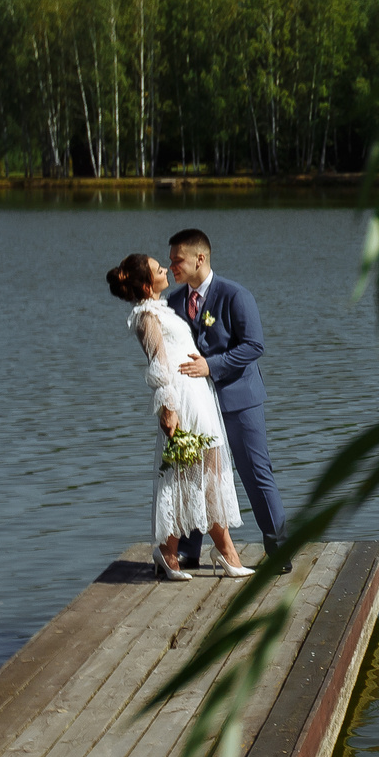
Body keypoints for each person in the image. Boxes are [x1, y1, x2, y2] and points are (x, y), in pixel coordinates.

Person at [105, 251, 253, 581]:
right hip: (181, 400)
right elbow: (158, 366)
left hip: (199, 396)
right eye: (159, 269)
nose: (165, 271)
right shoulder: (146, 316)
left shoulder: (159, 308)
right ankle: (210, 552)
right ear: (147, 285)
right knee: (186, 475)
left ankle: (185, 551)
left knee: (204, 472)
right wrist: (169, 408)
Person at [164, 227, 289, 573]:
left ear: (200, 258)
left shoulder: (235, 295)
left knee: (255, 472)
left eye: (178, 260)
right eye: (171, 260)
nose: (171, 265)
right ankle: (191, 549)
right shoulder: (173, 302)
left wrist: (211, 365)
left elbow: (254, 346)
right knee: (193, 471)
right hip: (196, 404)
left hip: (239, 399)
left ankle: (278, 550)